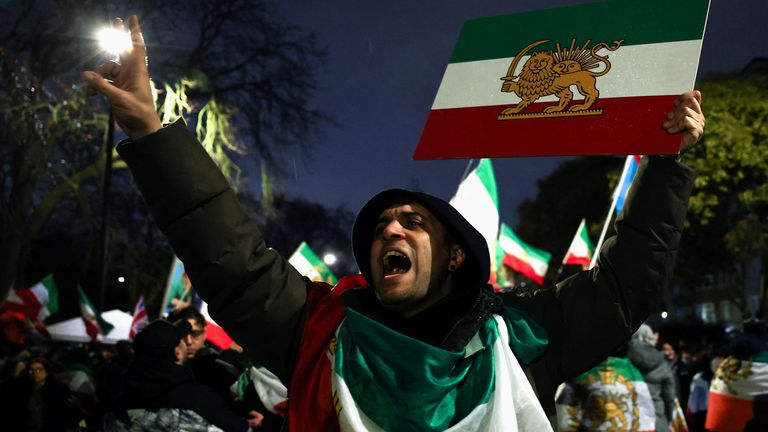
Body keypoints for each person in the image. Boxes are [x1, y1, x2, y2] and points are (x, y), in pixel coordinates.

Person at [83, 15, 705, 431]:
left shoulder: (527, 337)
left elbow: (627, 287)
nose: (390, 231)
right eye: (381, 225)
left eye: (412, 222)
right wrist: (151, 133)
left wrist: (667, 163)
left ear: (456, 254)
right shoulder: (317, 329)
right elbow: (231, 258)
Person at [108, 320, 261, 432]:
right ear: (177, 353)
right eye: (182, 340)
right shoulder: (197, 399)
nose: (187, 342)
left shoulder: (118, 399)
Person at [626, 324, 678, 432]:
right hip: (657, 420)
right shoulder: (662, 362)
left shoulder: (623, 360)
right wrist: (667, 419)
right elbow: (669, 396)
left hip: (630, 420)